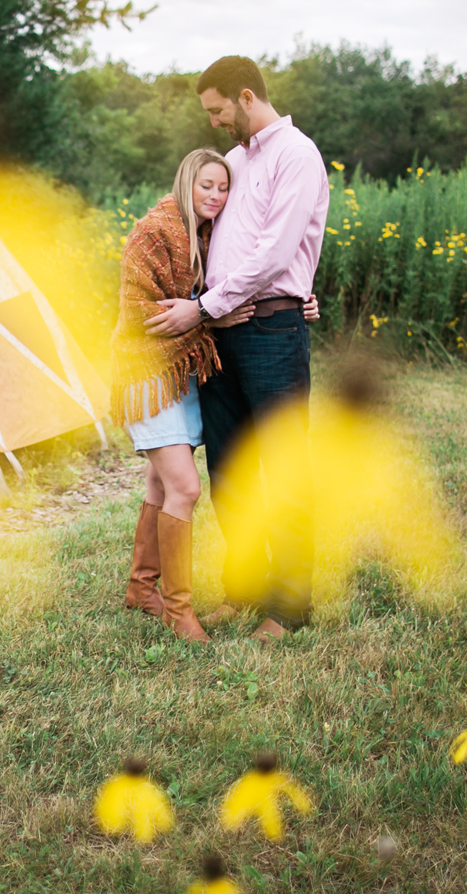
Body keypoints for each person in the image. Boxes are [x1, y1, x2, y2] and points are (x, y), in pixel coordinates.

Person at [145, 55, 329, 643]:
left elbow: (276, 254)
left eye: (218, 110)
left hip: (270, 329)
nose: (216, 121)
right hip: (220, 332)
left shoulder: (296, 155)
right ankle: (244, 585)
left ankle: (290, 604)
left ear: (245, 97)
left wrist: (203, 308)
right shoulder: (231, 162)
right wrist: (207, 310)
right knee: (228, 468)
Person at [109, 149, 252, 643]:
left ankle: (141, 587)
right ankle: (178, 610)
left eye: (223, 187)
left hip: (184, 372)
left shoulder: (210, 235)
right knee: (186, 488)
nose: (215, 195)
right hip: (148, 374)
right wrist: (210, 316)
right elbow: (140, 316)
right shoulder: (153, 232)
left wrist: (302, 300)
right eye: (205, 185)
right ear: (186, 182)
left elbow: (231, 288)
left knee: (159, 484)